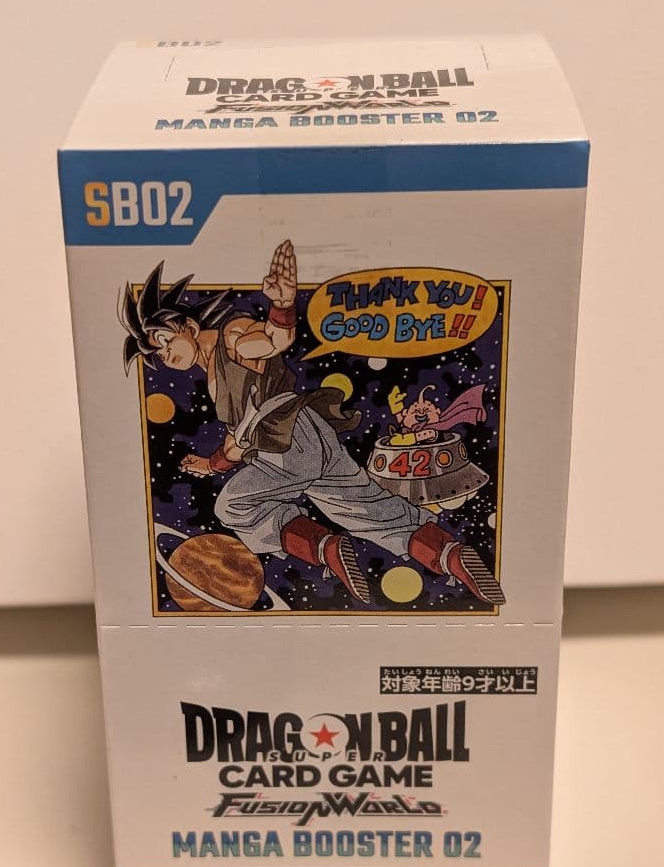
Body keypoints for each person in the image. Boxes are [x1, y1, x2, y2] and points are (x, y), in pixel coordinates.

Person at [121, 241, 505, 606]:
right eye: (157, 353)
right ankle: (451, 555)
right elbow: (239, 440)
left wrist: (282, 306)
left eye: (164, 339)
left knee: (234, 506)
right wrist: (212, 464)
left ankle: (323, 547)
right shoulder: (213, 373)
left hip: (286, 442)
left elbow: (271, 341)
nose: (165, 354)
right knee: (370, 510)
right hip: (311, 435)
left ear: (187, 325)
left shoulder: (231, 337)